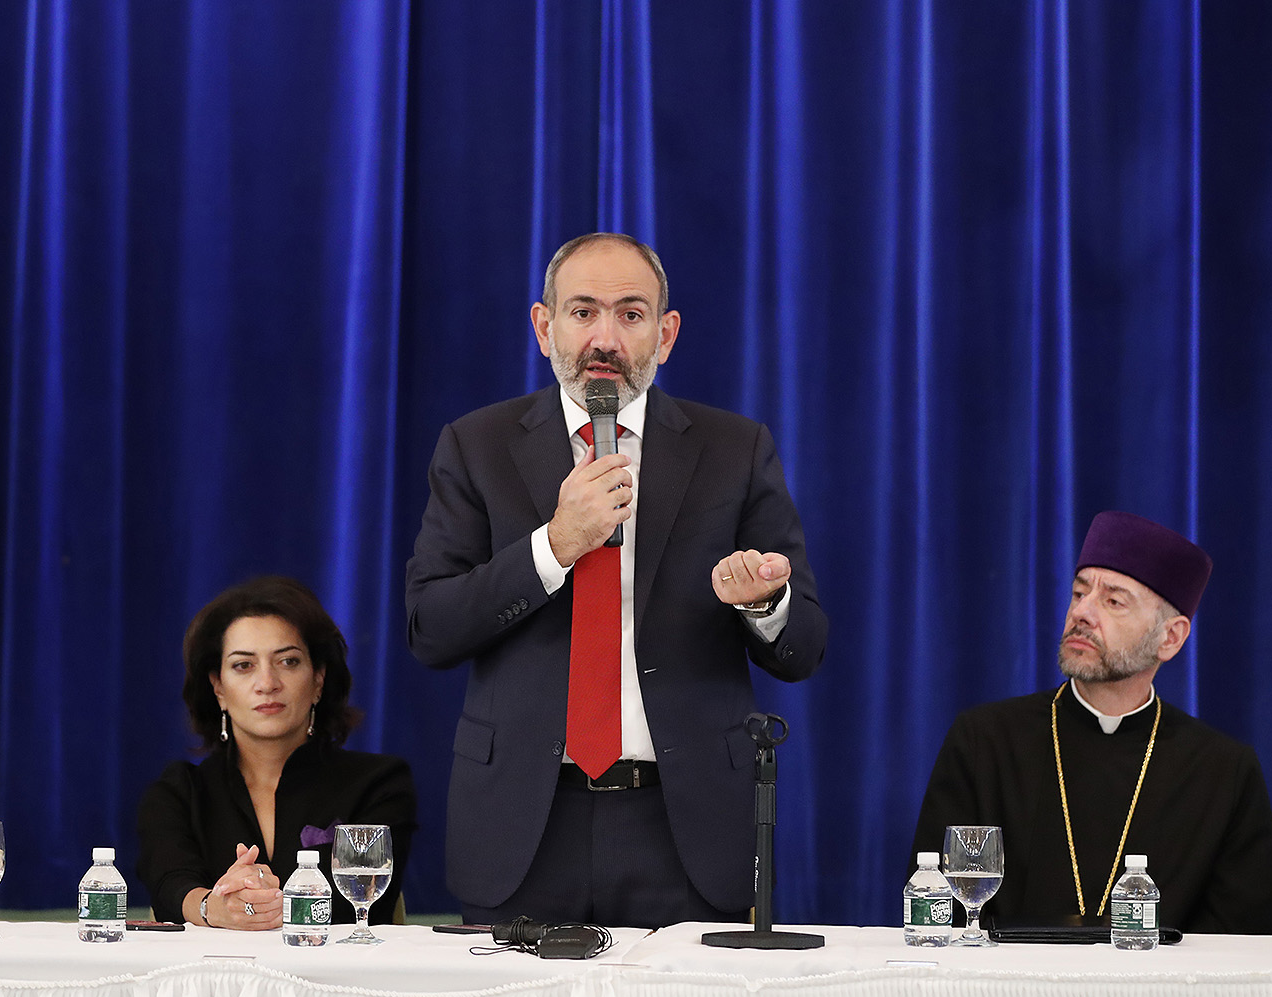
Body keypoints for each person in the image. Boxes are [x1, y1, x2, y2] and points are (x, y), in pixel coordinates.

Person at [405, 232, 828, 928]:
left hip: (684, 825)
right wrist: (554, 546)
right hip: (523, 822)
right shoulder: (477, 446)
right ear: (545, 327)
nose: (605, 338)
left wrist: (766, 603)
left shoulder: (734, 449)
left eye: (631, 314)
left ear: (666, 334)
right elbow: (431, 628)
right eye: (583, 312)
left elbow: (804, 647)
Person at [912, 511, 1272, 934]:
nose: (1082, 613)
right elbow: (932, 917)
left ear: (1170, 637)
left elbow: (1245, 946)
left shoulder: (1224, 771)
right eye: (1079, 593)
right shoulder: (984, 742)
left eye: (1113, 602)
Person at [137, 576, 416, 929]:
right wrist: (215, 907)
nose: (267, 683)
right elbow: (169, 887)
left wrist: (260, 902)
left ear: (318, 680)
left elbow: (365, 903)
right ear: (218, 687)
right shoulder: (179, 792)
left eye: (288, 661)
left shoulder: (379, 784)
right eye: (244, 665)